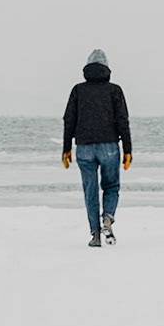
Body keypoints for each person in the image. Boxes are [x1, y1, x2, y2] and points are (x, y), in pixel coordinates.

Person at [61, 49, 132, 246]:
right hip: (109, 146)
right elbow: (123, 121)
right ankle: (107, 219)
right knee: (111, 186)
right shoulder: (114, 90)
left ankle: (95, 235)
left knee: (90, 190)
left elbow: (69, 120)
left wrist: (66, 148)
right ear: (107, 69)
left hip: (84, 147)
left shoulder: (78, 90)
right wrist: (128, 149)